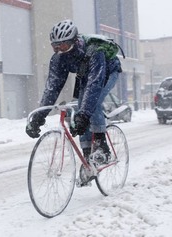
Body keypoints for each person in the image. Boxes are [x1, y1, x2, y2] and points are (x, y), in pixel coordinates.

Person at [25, 19, 122, 165]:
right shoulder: (58, 59)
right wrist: (38, 117)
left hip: (107, 71)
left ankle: (102, 147)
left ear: (75, 42)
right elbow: (52, 88)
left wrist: (84, 115)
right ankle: (88, 158)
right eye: (55, 47)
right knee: (79, 111)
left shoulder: (94, 51)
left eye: (63, 45)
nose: (59, 51)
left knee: (90, 106)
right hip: (85, 74)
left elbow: (95, 84)